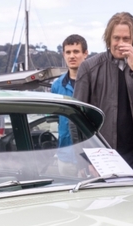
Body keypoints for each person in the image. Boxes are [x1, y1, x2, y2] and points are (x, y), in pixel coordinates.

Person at [73, 12, 133, 181]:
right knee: (105, 207)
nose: (120, 44)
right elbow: (76, 117)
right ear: (108, 39)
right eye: (116, 38)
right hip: (100, 158)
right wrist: (84, 160)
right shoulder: (89, 68)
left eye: (126, 39)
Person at [51, 34, 88, 174]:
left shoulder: (94, 83)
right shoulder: (57, 85)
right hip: (65, 156)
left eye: (76, 51)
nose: (72, 56)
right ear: (63, 54)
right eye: (68, 52)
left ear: (85, 54)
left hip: (88, 156)